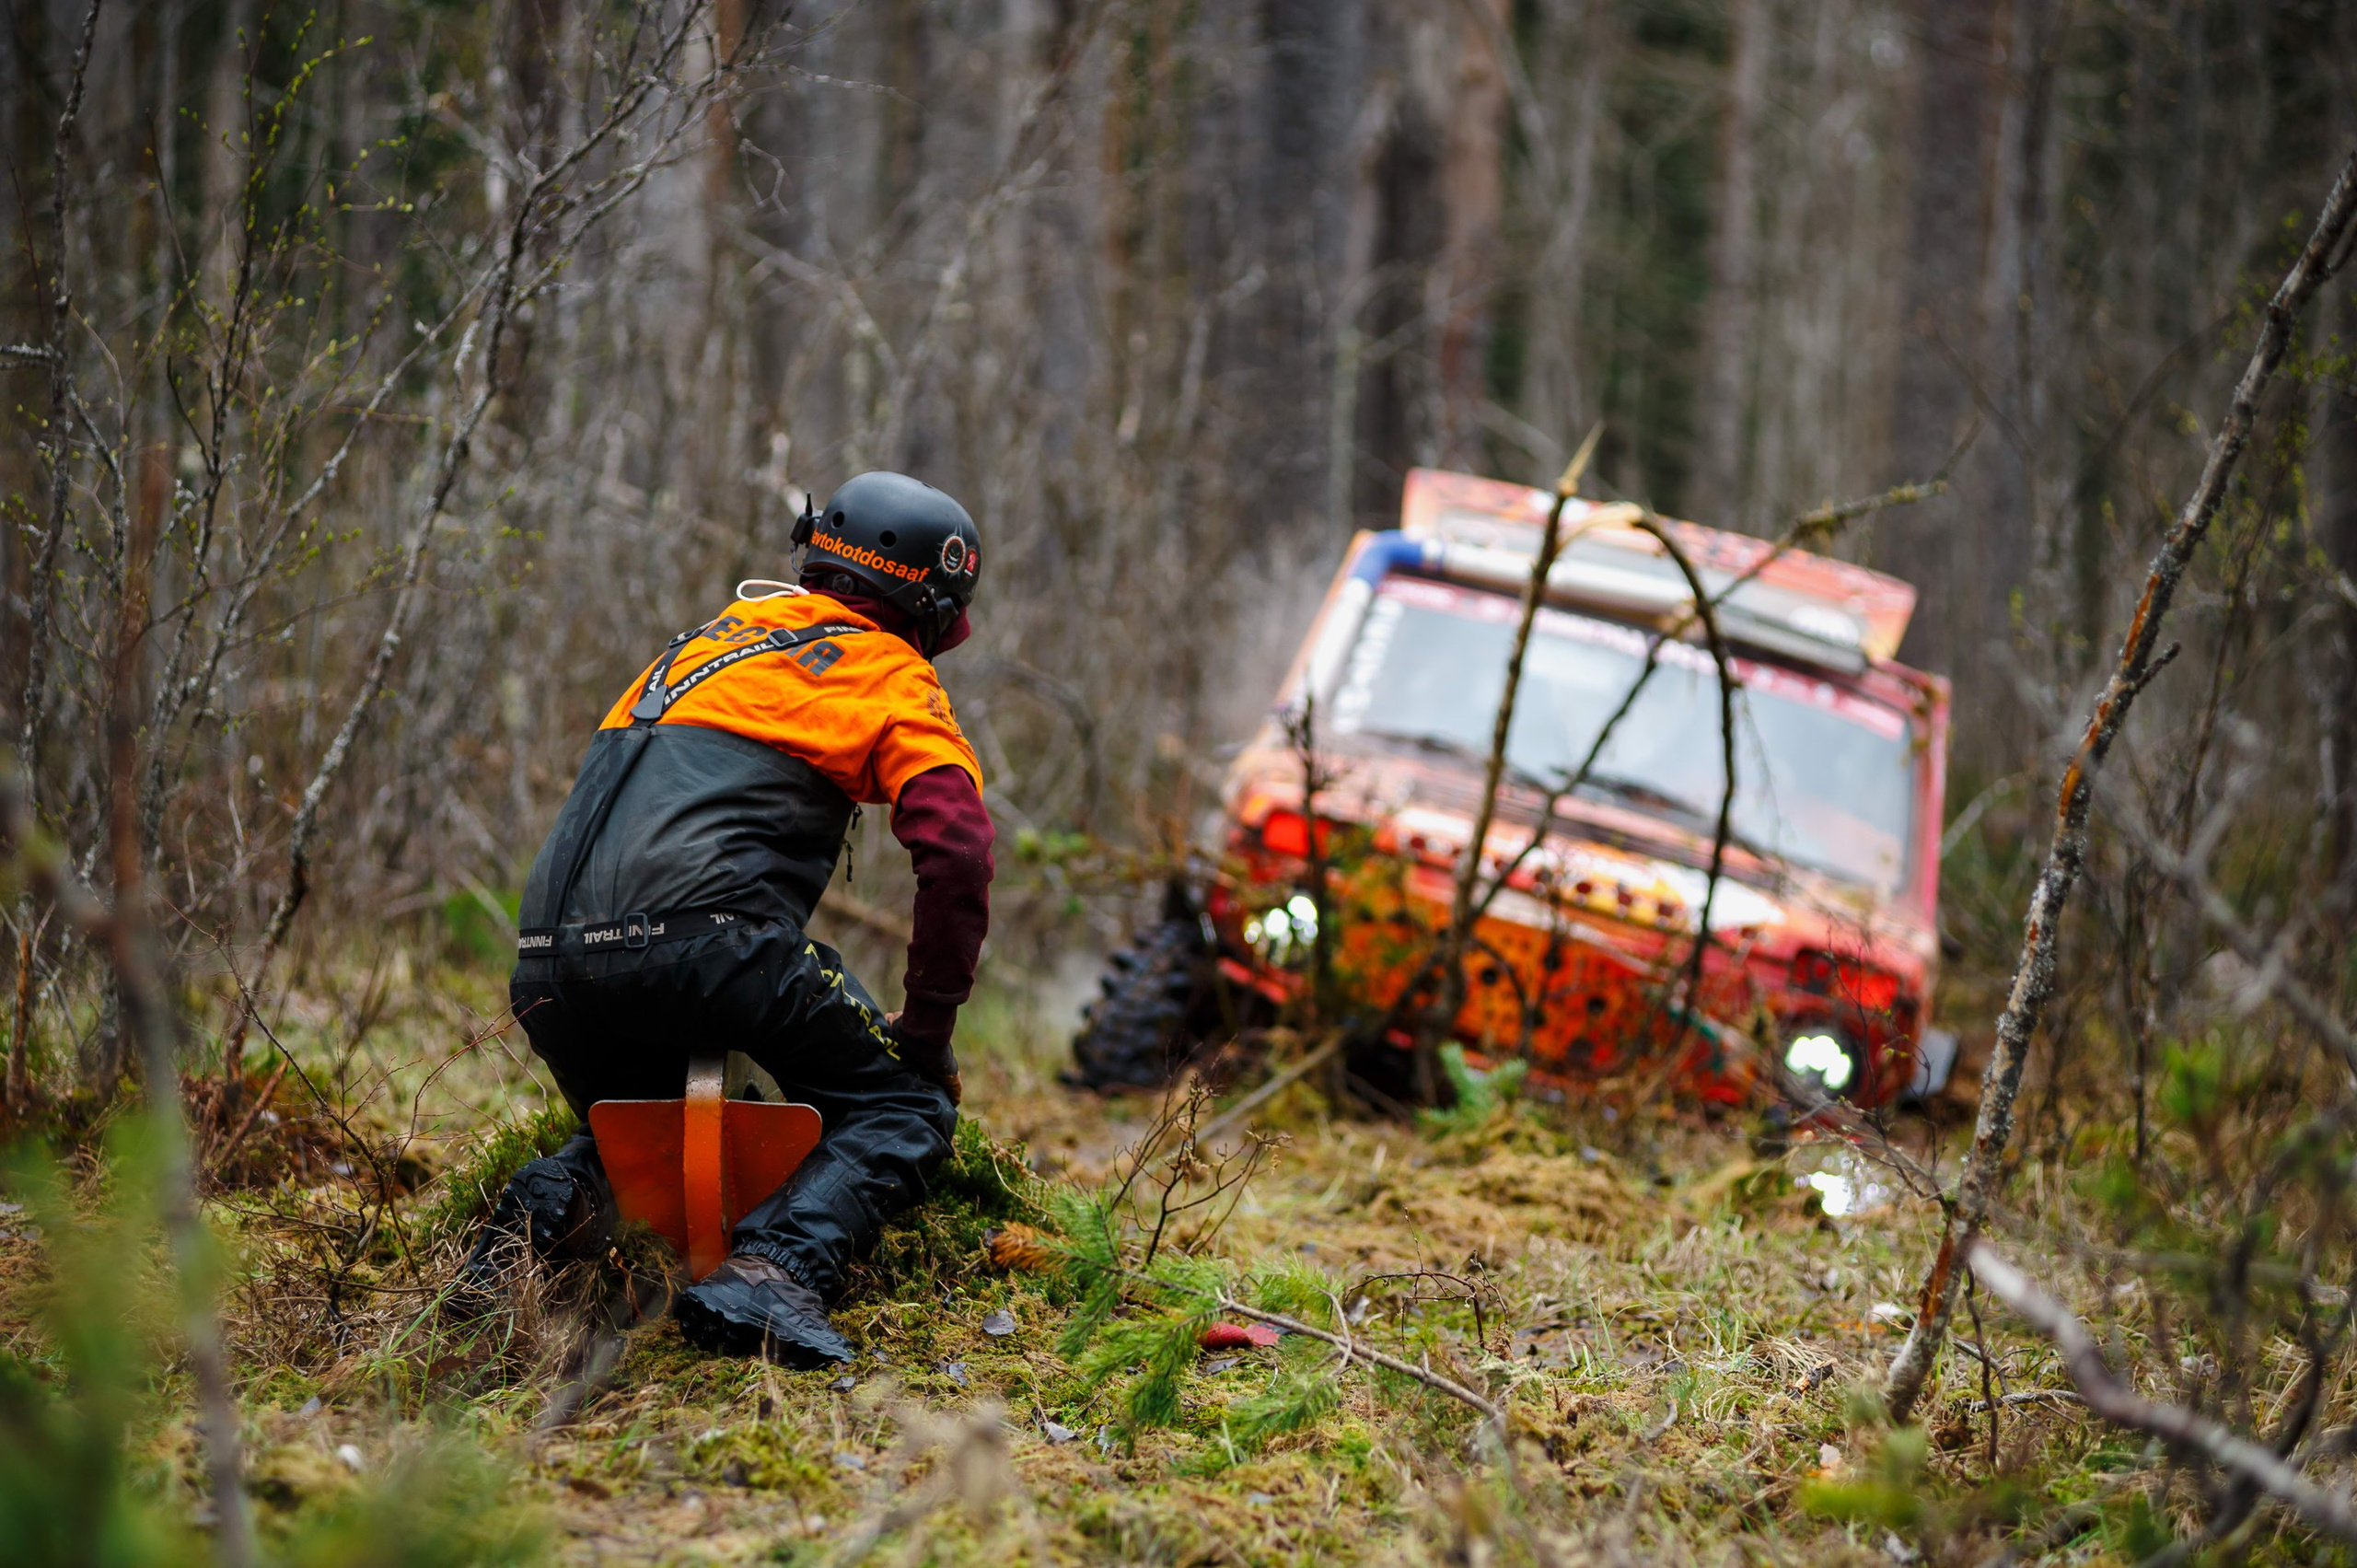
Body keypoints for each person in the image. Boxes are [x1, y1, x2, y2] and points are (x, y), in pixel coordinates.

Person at [457, 471, 994, 1366]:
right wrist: (929, 1029)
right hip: (710, 942)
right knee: (903, 1104)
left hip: (547, 961)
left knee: (652, 1117)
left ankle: (523, 1239)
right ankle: (776, 1272)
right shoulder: (887, 668)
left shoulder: (709, 644)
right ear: (929, 606)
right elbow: (959, 847)